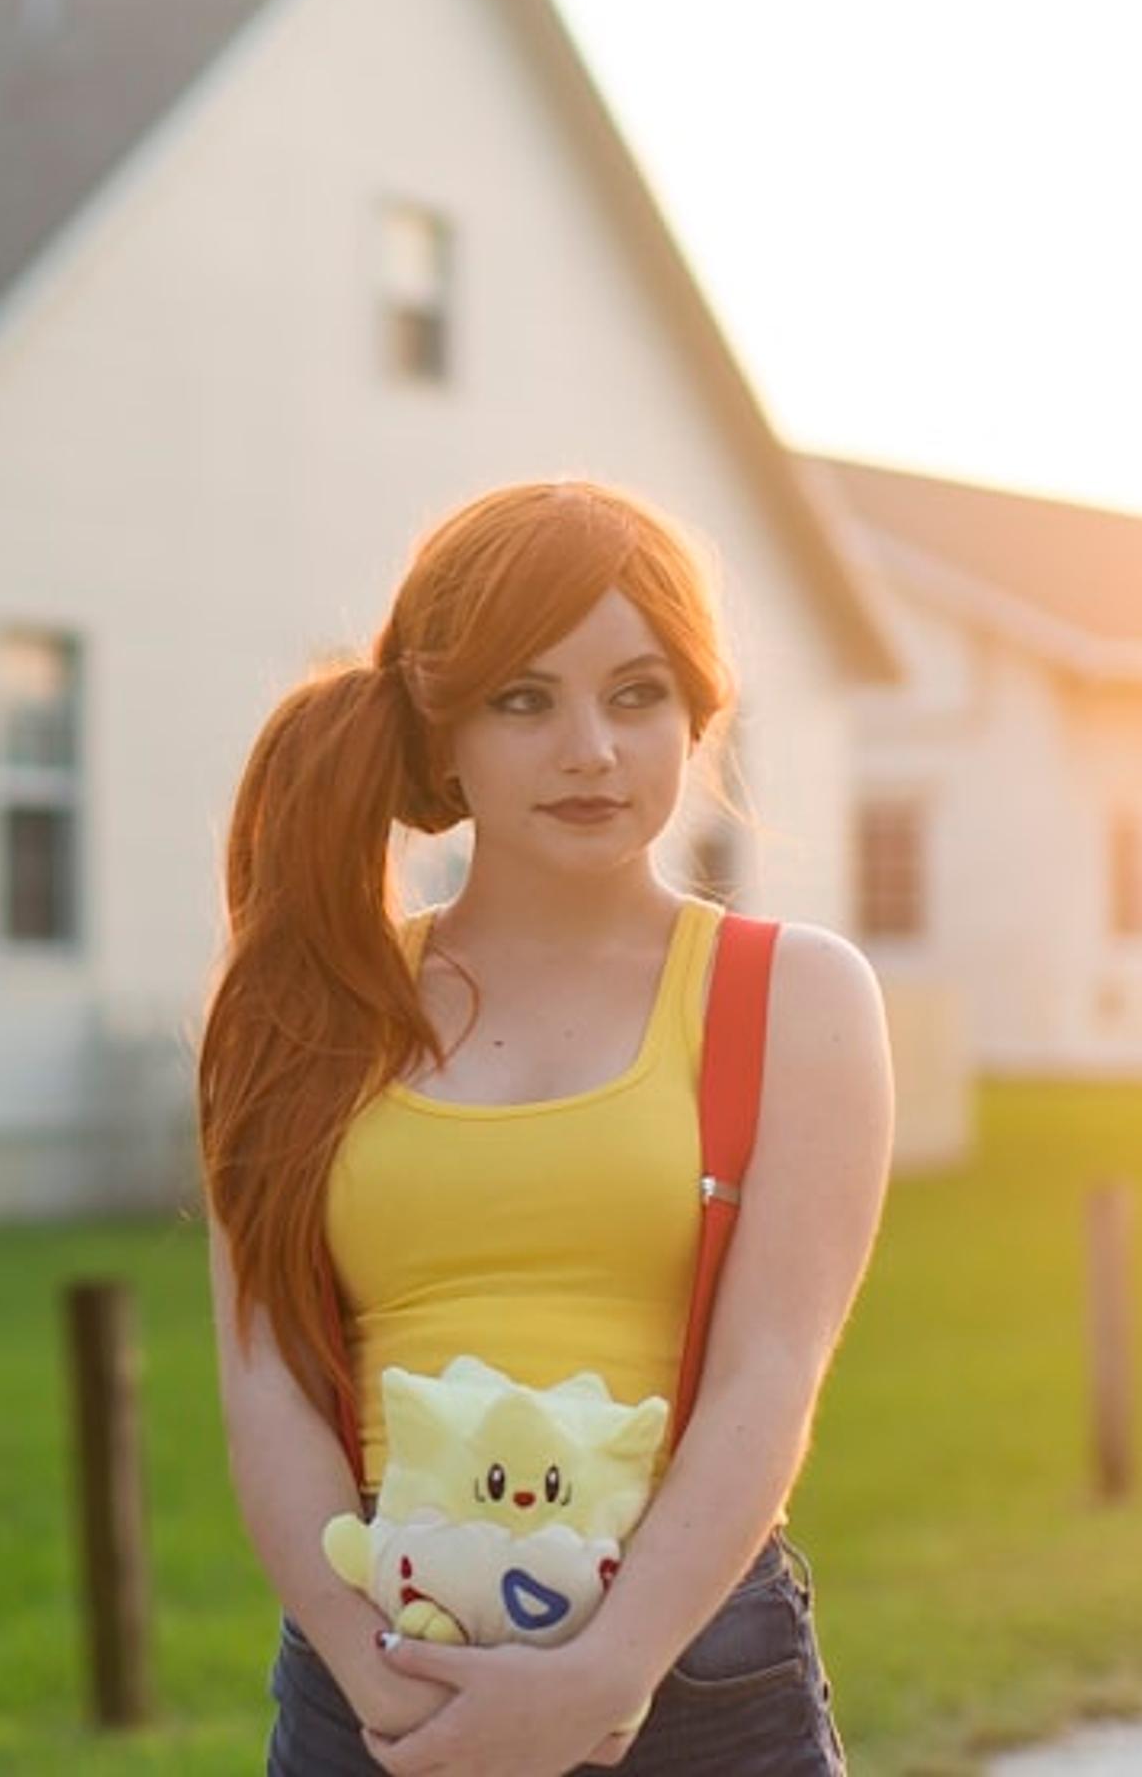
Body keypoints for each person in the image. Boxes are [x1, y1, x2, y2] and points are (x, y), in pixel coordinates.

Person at [196, 479, 895, 1775]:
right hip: (380, 1682)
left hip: (690, 1678)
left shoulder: (794, 998)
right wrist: (373, 1679)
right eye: (525, 699)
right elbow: (267, 1378)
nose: (593, 749)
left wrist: (603, 1679)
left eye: (637, 694)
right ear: (438, 729)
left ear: (697, 718)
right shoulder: (302, 1013)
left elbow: (770, 1371)